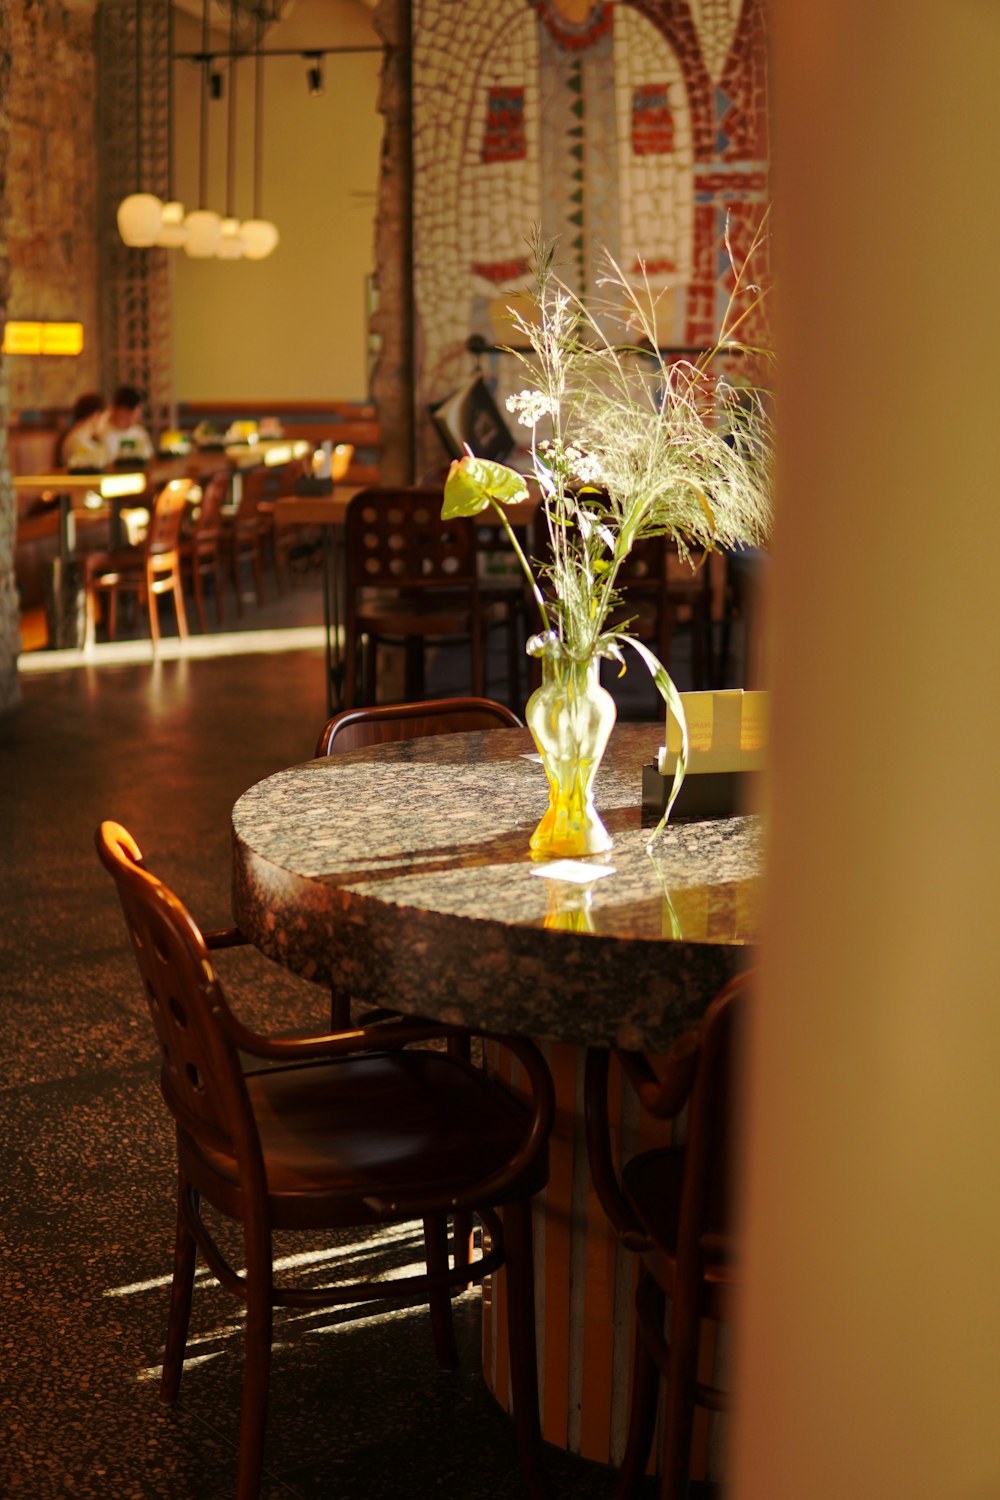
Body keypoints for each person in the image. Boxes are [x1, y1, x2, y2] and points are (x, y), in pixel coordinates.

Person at [100, 384, 154, 466]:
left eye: (133, 419)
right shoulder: (103, 434)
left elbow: (150, 458)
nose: (129, 423)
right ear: (114, 410)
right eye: (125, 418)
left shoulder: (139, 433)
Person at [58, 392, 107, 471]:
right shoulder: (76, 439)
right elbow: (97, 463)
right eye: (105, 420)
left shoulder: (78, 437)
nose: (105, 425)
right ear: (96, 416)